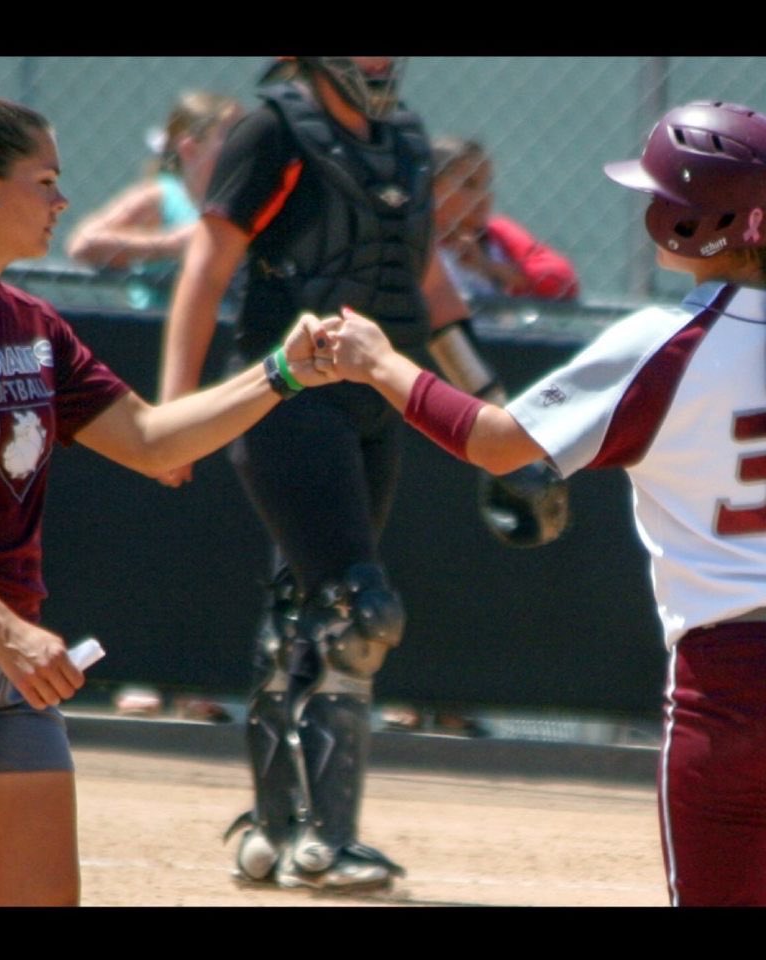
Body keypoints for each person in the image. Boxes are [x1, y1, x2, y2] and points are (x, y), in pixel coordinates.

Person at [0, 93, 336, 907]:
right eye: (45, 181)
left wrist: (284, 372)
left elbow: (154, 439)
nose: (62, 201)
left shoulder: (31, 324)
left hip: (9, 659)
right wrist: (8, 631)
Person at [328, 100, 766, 907]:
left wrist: (381, 364)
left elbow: (501, 444)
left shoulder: (667, 341)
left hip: (733, 679)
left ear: (689, 221)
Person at [157, 56, 564, 892]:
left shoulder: (406, 138)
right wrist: (171, 417)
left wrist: (493, 405)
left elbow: (427, 285)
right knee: (359, 605)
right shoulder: (270, 127)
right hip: (285, 393)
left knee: (303, 605)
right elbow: (207, 269)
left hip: (377, 402)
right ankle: (330, 841)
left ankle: (274, 832)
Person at [65, 91, 243, 312]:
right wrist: (173, 243)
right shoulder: (163, 196)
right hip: (155, 331)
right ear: (190, 148)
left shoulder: (246, 201)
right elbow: (82, 244)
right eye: (232, 137)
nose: (245, 145)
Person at [431, 136, 580, 301]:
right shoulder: (412, 236)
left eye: (486, 185)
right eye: (469, 184)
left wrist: (488, 267)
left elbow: (564, 281)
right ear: (433, 187)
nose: (484, 196)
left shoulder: (497, 233)